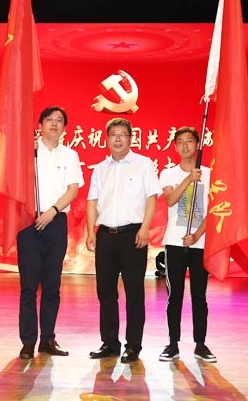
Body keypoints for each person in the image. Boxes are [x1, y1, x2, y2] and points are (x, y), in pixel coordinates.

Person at [85, 117, 161, 364]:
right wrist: (90, 232)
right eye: (113, 135)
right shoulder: (100, 168)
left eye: (122, 135)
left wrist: (145, 228)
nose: (117, 139)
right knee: (105, 293)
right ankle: (110, 343)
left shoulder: (143, 164)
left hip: (133, 236)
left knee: (134, 293)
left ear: (130, 138)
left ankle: (133, 346)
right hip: (105, 235)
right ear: (107, 139)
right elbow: (92, 201)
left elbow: (151, 198)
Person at [17, 106, 84, 360]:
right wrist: (26, 150)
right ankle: (27, 342)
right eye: (49, 119)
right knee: (28, 287)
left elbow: (73, 189)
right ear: (40, 124)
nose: (54, 124)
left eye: (59, 121)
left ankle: (47, 339)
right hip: (29, 222)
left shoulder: (70, 155)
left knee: (52, 286)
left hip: (55, 222)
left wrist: (53, 211)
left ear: (64, 128)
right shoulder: (27, 151)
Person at [157, 126, 216, 363]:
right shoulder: (168, 173)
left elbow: (214, 210)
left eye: (189, 141)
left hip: (200, 244)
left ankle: (201, 344)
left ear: (197, 145)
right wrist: (188, 179)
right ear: (175, 146)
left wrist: (197, 235)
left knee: (199, 296)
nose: (185, 146)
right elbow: (171, 200)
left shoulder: (210, 174)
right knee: (175, 295)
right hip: (175, 243)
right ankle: (173, 344)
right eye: (180, 142)